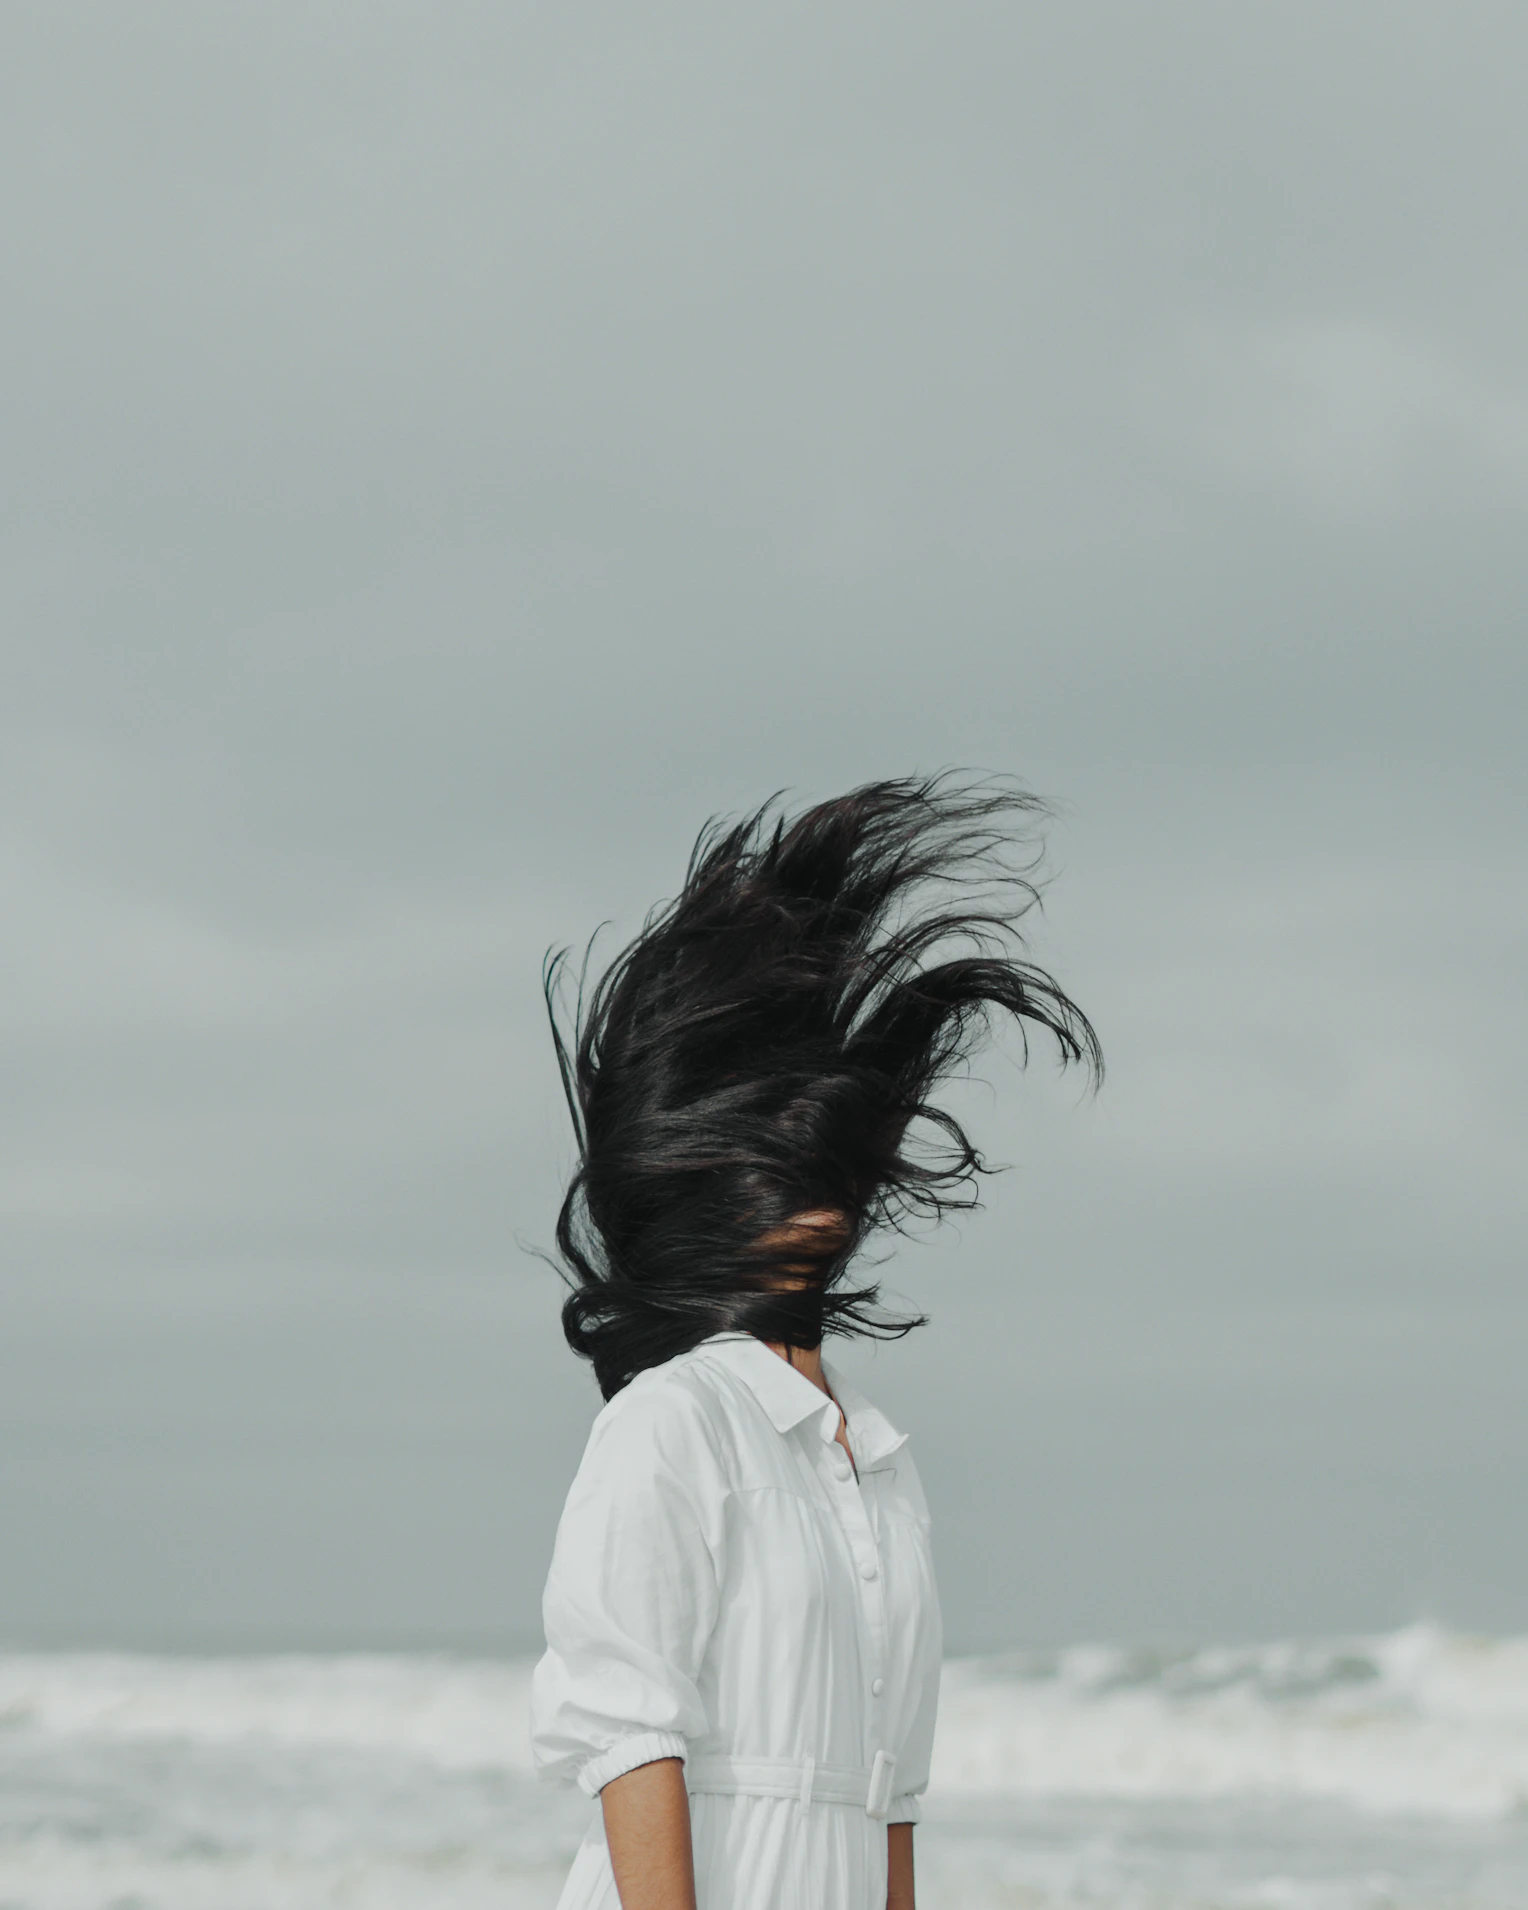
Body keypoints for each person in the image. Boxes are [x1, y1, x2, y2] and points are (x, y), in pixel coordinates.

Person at [529, 776, 1100, 1910]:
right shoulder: (671, 1419)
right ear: (709, 1172)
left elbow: (889, 1795)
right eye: (773, 1137)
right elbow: (631, 1735)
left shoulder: (871, 1458)